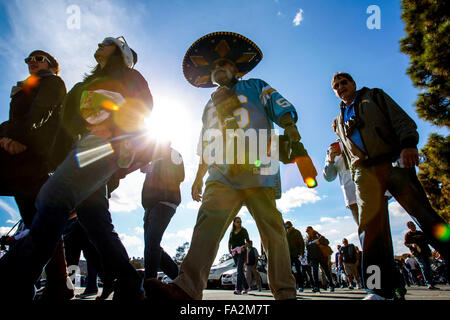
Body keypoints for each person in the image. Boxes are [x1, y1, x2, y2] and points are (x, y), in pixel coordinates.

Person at [0, 36, 166, 301]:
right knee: (96, 224)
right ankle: (130, 285)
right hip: (82, 153)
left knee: (53, 196)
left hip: (108, 145)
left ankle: (13, 279)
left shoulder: (131, 77)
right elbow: (66, 128)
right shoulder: (81, 87)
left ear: (122, 53)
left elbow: (144, 112)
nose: (100, 44)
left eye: (108, 42)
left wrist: (121, 147)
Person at [145, 31, 302, 300]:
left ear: (236, 69)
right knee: (206, 226)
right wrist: (197, 177)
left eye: (225, 64)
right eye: (215, 66)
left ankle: (285, 293)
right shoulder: (209, 105)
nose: (219, 68)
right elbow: (207, 142)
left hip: (257, 166)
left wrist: (289, 126)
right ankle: (186, 289)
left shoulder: (255, 86)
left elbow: (278, 105)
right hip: (221, 173)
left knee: (272, 230)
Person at [330, 72, 450, 300]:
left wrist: (408, 144)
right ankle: (377, 289)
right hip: (364, 173)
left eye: (344, 82)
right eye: (336, 85)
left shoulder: (374, 96)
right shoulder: (337, 120)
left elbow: (400, 119)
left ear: (353, 83)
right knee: (370, 231)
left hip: (392, 161)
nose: (340, 87)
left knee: (424, 215)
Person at [0, 50, 74, 300]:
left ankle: (28, 280)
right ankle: (58, 284)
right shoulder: (23, 87)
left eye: (39, 58)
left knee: (42, 223)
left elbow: (42, 115)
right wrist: (5, 137)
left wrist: (20, 140)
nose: (32, 61)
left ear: (53, 64)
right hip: (17, 159)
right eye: (29, 59)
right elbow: (15, 119)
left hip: (36, 158)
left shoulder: (52, 82)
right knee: (36, 222)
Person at [141, 149, 184, 281]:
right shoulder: (153, 157)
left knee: (151, 243)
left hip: (165, 202)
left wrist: (154, 169)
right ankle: (179, 278)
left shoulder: (174, 154)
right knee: (151, 245)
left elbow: (180, 176)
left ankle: (149, 285)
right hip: (150, 206)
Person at [404, 221, 439, 289]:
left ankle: (431, 283)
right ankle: (428, 283)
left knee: (428, 267)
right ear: (408, 227)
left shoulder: (420, 233)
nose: (412, 226)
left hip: (426, 251)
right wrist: (411, 245)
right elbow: (405, 243)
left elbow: (428, 240)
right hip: (417, 253)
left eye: (413, 225)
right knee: (423, 267)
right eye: (411, 225)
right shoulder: (408, 234)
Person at [305, 226, 335, 293]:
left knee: (326, 271)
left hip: (322, 257)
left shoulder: (318, 236)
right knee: (314, 272)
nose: (307, 232)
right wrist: (308, 260)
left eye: (308, 230)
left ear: (312, 230)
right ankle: (316, 287)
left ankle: (331, 285)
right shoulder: (308, 240)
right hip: (313, 258)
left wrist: (320, 243)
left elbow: (327, 242)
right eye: (306, 231)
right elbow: (308, 251)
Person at [228, 217, 250, 295]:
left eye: (240, 222)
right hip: (234, 253)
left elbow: (248, 241)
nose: (239, 223)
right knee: (240, 271)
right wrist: (229, 250)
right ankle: (246, 287)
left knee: (239, 270)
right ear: (234, 223)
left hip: (242, 252)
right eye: (237, 222)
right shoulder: (232, 232)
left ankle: (238, 289)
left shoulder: (244, 230)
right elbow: (229, 242)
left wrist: (244, 247)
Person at [285, 221, 305, 292]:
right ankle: (291, 285)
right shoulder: (285, 233)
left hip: (296, 254)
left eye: (288, 227)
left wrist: (302, 252)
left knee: (298, 270)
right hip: (288, 254)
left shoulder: (297, 232)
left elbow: (301, 242)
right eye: (286, 227)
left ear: (291, 226)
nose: (287, 229)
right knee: (288, 271)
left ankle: (301, 286)